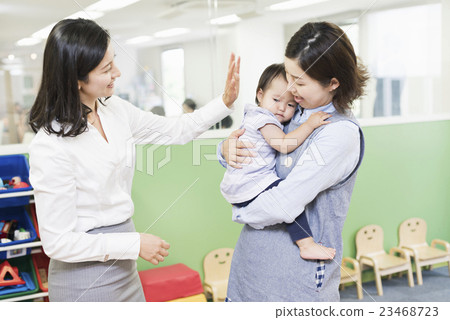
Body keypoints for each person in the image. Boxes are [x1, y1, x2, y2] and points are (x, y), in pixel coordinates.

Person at [28, 18, 240, 302]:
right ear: (76, 80)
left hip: (124, 270)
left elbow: (174, 130)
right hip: (82, 279)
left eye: (113, 62)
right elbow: (58, 243)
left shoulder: (114, 109)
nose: (117, 72)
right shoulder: (50, 145)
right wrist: (134, 243)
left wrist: (224, 102)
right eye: (106, 69)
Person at [218, 21, 368, 301]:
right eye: (289, 76)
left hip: (294, 282)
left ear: (333, 83)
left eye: (299, 82)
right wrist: (226, 148)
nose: (290, 88)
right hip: (250, 267)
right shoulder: (293, 110)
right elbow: (256, 141)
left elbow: (282, 204)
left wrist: (241, 210)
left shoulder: (339, 134)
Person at [220, 63, 335, 260]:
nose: (282, 108)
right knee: (288, 198)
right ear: (260, 95)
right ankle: (306, 244)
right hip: (250, 182)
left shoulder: (253, 115)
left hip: (241, 183)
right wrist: (309, 125)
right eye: (276, 99)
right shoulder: (264, 118)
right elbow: (283, 144)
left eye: (290, 105)